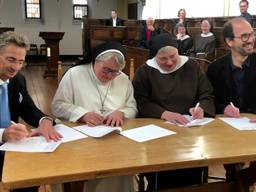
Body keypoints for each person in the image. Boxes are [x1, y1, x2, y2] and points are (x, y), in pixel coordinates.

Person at [132, 33, 215, 190]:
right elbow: (140, 100)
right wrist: (164, 114)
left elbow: (206, 93)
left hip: (190, 132)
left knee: (191, 174)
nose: (169, 63)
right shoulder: (145, 71)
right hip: (158, 133)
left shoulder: (191, 66)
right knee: (163, 176)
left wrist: (201, 108)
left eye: (173, 57)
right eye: (163, 59)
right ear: (154, 57)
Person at [52, 41, 137, 192]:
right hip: (78, 138)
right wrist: (82, 114)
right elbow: (57, 106)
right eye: (106, 70)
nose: (110, 76)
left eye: (115, 72)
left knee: (122, 166)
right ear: (95, 61)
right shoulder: (75, 74)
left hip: (113, 139)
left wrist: (121, 112)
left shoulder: (123, 79)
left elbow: (132, 107)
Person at [0, 31, 62, 192]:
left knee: (31, 176)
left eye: (21, 62)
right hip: (4, 141)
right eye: (11, 60)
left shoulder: (18, 79)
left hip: (11, 146)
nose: (16, 67)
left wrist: (45, 120)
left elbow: (28, 108)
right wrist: (2, 134)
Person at [207, 17, 256, 187]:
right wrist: (223, 108)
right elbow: (209, 100)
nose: (250, 40)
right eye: (244, 36)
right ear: (229, 41)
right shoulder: (215, 68)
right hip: (228, 132)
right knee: (234, 175)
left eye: (252, 34)